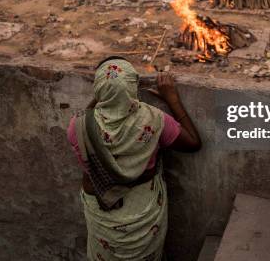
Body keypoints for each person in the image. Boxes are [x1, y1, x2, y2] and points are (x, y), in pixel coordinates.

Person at [66, 58, 201, 261]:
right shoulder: (154, 119)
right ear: (133, 88)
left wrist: (104, 94)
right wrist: (172, 99)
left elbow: (89, 114)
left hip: (102, 212)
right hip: (142, 212)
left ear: (97, 89)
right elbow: (193, 143)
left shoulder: (78, 126)